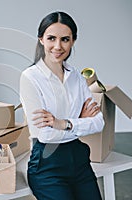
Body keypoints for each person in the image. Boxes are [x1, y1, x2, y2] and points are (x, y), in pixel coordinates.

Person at [19, 11, 104, 200]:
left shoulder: (76, 76)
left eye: (65, 39)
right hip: (48, 166)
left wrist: (63, 123)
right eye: (51, 38)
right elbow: (45, 134)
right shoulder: (30, 78)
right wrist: (80, 121)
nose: (58, 46)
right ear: (41, 39)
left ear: (73, 41)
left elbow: (99, 123)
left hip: (79, 160)